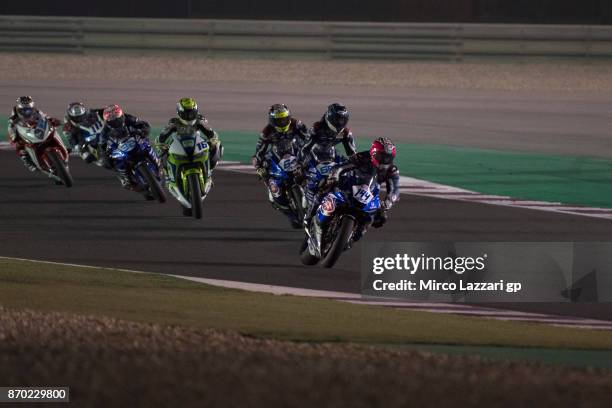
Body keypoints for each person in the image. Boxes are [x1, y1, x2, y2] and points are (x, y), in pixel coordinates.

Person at [308, 137, 400, 250]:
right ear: (374, 153)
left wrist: (389, 201)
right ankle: (310, 214)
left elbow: (395, 189)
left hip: (369, 193)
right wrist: (336, 174)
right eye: (382, 156)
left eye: (388, 157)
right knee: (324, 185)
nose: (385, 160)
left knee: (380, 218)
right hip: (351, 183)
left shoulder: (392, 170)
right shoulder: (362, 157)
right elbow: (343, 166)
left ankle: (353, 238)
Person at [252, 103, 309, 228]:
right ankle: (290, 214)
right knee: (275, 191)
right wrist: (259, 167)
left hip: (296, 154)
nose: (282, 122)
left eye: (284, 119)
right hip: (277, 158)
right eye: (279, 120)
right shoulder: (266, 132)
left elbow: (309, 139)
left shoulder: (297, 124)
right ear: (272, 121)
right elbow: (258, 153)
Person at [300, 103, 356, 210]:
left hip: (332, 154)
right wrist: (301, 165)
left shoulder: (346, 133)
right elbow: (305, 149)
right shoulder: (316, 128)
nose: (340, 122)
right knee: (307, 176)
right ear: (330, 117)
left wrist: (355, 164)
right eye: (338, 119)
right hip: (313, 155)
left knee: (347, 176)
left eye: (342, 119)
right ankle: (306, 192)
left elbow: (352, 154)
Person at [99, 104, 160, 189]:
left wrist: (144, 131)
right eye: (112, 119)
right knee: (118, 164)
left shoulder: (128, 118)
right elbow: (102, 147)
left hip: (133, 139)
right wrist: (106, 158)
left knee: (146, 145)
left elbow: (143, 124)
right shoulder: (104, 132)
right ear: (107, 120)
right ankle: (127, 180)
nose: (116, 120)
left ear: (121, 114)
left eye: (117, 117)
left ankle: (157, 163)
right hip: (120, 148)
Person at [156, 97, 222, 171]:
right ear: (180, 112)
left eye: (191, 112)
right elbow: (162, 136)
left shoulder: (199, 120)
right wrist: (162, 145)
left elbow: (211, 133)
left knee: (217, 145)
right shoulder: (174, 122)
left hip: (196, 145)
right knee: (163, 153)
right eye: (186, 113)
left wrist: (212, 141)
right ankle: (169, 174)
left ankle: (209, 168)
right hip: (179, 146)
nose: (189, 115)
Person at [7, 96, 61, 172]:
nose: (27, 112)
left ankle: (60, 145)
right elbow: (10, 127)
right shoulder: (14, 114)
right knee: (17, 144)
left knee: (53, 129)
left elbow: (44, 116)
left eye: (29, 109)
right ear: (19, 108)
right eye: (24, 110)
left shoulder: (35, 110)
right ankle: (26, 161)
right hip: (22, 129)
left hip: (34, 126)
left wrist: (51, 119)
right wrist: (14, 137)